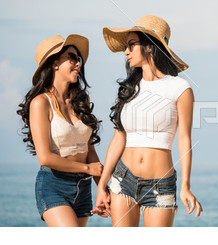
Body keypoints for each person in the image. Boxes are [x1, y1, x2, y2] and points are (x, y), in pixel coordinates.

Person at [93, 15, 203, 227]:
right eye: (126, 46)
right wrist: (101, 185)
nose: (126, 52)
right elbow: (118, 139)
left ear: (150, 47)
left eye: (131, 45)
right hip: (122, 180)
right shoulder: (127, 90)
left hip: (160, 185)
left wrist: (186, 186)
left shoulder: (180, 88)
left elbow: (184, 140)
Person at [17, 34, 103, 226]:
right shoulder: (40, 103)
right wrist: (87, 169)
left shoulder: (82, 102)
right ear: (54, 64)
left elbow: (89, 150)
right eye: (72, 57)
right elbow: (45, 157)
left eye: (78, 59)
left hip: (83, 187)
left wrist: (102, 189)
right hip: (54, 185)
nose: (78, 64)